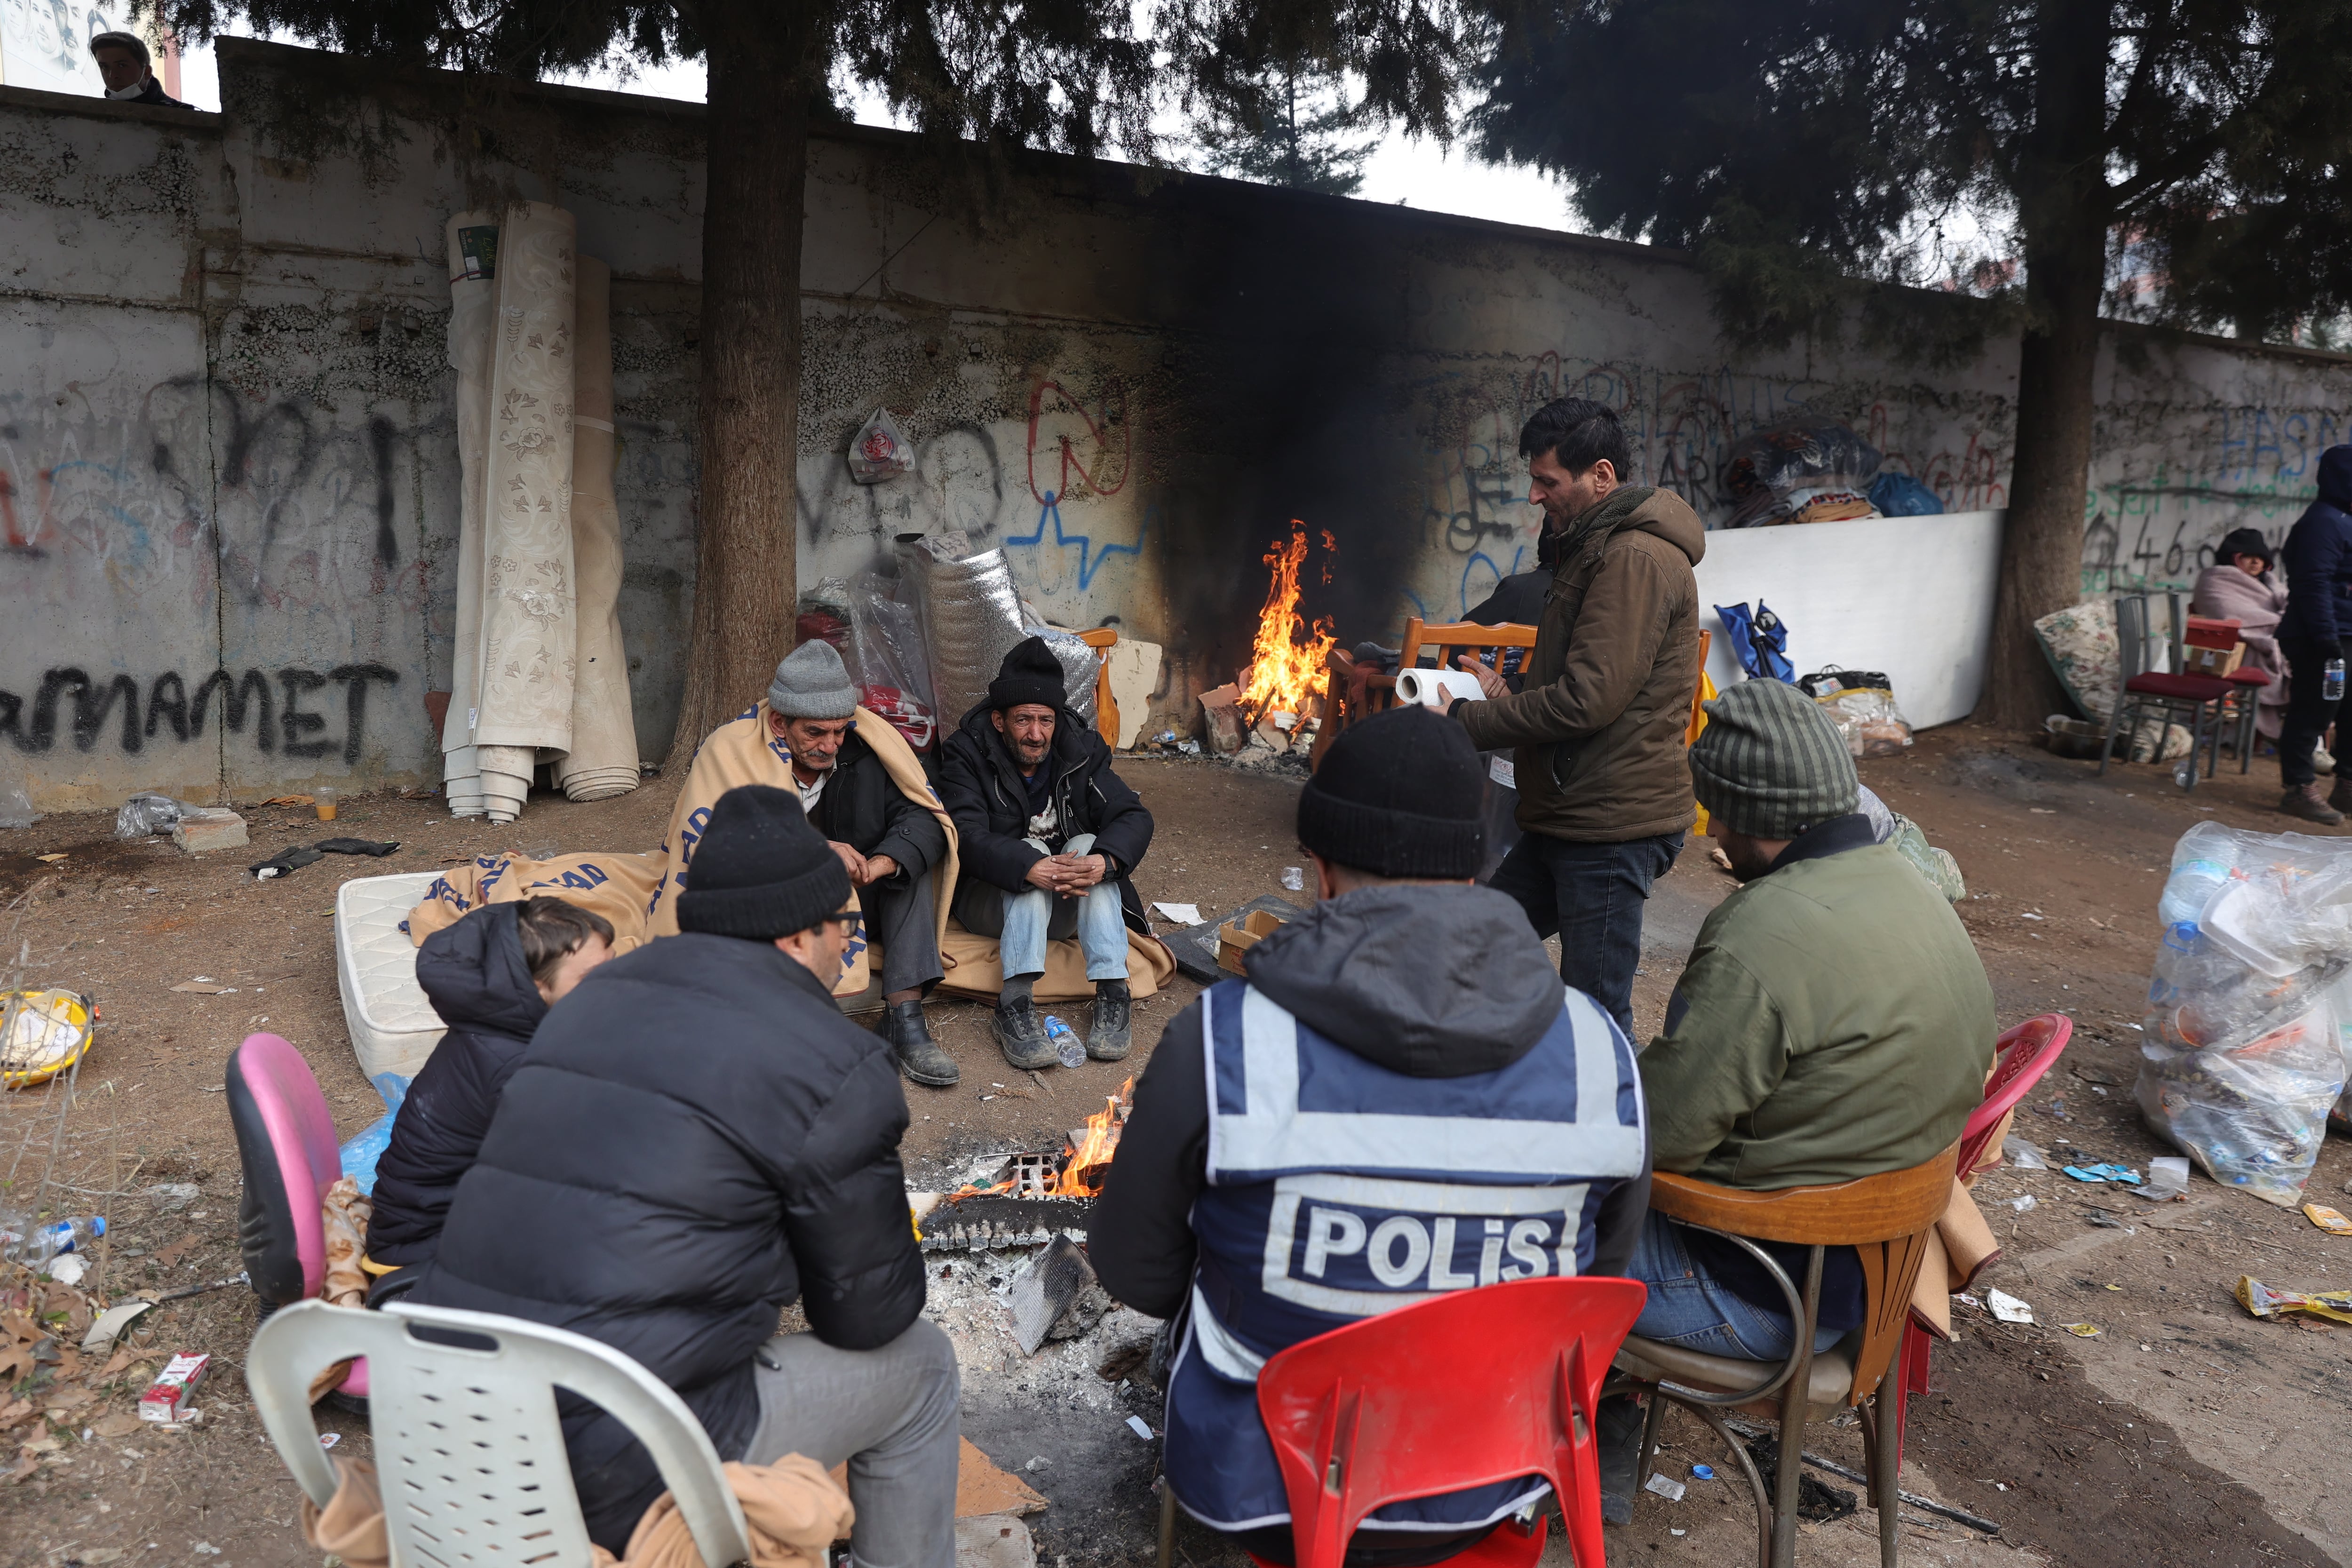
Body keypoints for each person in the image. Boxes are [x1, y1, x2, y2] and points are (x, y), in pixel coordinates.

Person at [1091, 707, 1649, 1564]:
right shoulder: (1597, 1050)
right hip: (1496, 1480)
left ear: (1318, 870)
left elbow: (1134, 1266)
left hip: (1273, 1488)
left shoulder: (1226, 1038)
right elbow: (1598, 1276)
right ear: (1478, 862)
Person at [409, 785, 958, 1567]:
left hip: (448, 1413)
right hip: (613, 1457)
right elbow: (867, 1317)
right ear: (802, 934)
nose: (850, 943)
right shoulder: (836, 1058)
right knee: (924, 1365)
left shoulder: (590, 998)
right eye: (847, 924)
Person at [1604, 678, 1993, 1516]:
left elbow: (1659, 1135)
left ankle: (1531, 1473)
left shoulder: (1762, 932)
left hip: (1768, 1299)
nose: (1710, 830)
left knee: (1518, 1226)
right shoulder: (1915, 890)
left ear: (1750, 814)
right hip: (1877, 1279)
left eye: (1717, 812)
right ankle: (1597, 1451)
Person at [1450, 397, 1706, 1036]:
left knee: (1594, 1014)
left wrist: (1468, 721)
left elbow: (1589, 700)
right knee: (1479, 941)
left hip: (1613, 827)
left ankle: (1606, 1129)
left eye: (1547, 481)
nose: (1535, 497)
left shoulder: (1633, 559)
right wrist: (1500, 699)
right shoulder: (1594, 548)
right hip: (1572, 814)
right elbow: (1584, 687)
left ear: (1600, 475)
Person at [649, 639, 959, 1085]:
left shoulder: (869, 747)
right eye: (815, 733)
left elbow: (923, 815)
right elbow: (714, 848)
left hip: (857, 890)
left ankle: (904, 1018)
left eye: (839, 731)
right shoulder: (730, 750)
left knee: (908, 873)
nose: (830, 745)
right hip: (773, 896)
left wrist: (883, 863)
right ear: (780, 722)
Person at [939, 636, 1154, 1070]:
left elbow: (1133, 815)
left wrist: (1104, 863)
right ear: (999, 721)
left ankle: (1114, 992)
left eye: (1045, 720)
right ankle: (1015, 1004)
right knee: (1030, 848)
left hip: (1068, 900)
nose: (1036, 734)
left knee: (1090, 845)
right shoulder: (967, 753)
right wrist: (1030, 866)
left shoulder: (1080, 751)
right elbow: (963, 833)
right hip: (992, 898)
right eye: (1023, 721)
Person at [365, 897, 614, 1271]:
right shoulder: (519, 1067)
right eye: (593, 977)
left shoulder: (504, 1026)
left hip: (432, 1215)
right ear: (537, 986)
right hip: (427, 1246)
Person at [2275, 448, 2352, 824]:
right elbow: (2313, 583)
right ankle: (2299, 789)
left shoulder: (2345, 520)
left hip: (2345, 631)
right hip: (2321, 635)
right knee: (2314, 710)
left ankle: (2348, 785)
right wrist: (2326, 637)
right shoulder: (2323, 522)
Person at [2191, 526, 2290, 756]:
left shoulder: (2269, 583)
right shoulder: (2217, 580)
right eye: (2249, 557)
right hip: (2229, 651)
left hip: (2270, 637)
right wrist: (2279, 624)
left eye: (2261, 559)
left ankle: (2309, 736)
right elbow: (2226, 610)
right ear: (2234, 558)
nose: (2256, 562)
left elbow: (2288, 602)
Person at [89, 31, 188, 107]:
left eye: (122, 66)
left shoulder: (181, 115)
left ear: (146, 72)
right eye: (105, 67)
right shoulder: (90, 116)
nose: (113, 75)